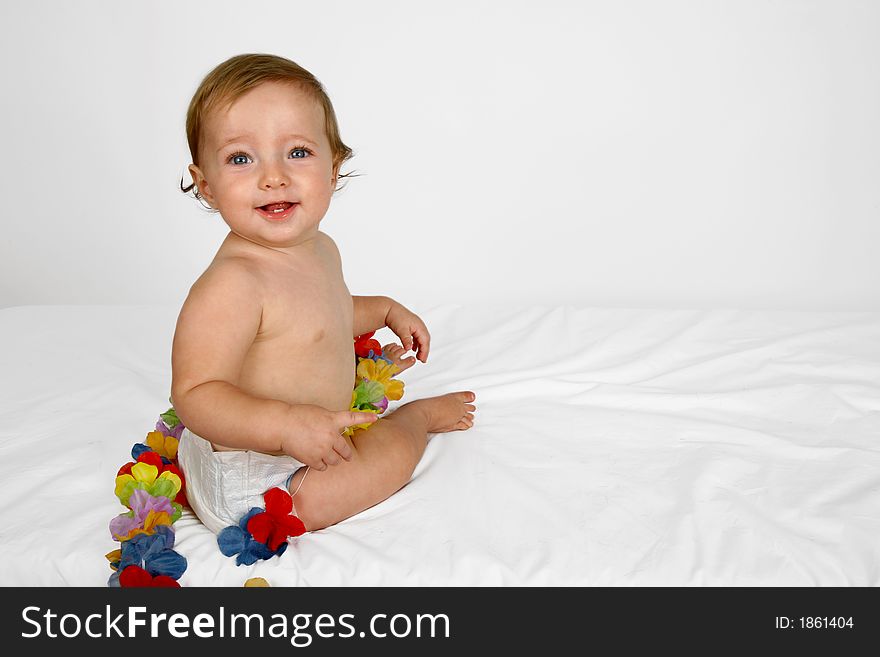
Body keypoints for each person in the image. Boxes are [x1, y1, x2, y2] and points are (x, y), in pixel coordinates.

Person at [171, 53, 476, 535]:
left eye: (297, 152)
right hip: (263, 483)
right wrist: (285, 424)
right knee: (381, 459)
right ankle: (414, 422)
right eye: (240, 158)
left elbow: (312, 321)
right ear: (206, 185)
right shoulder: (233, 284)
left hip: (288, 443)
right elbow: (195, 394)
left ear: (334, 168)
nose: (273, 176)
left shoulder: (318, 249)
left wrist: (381, 310)